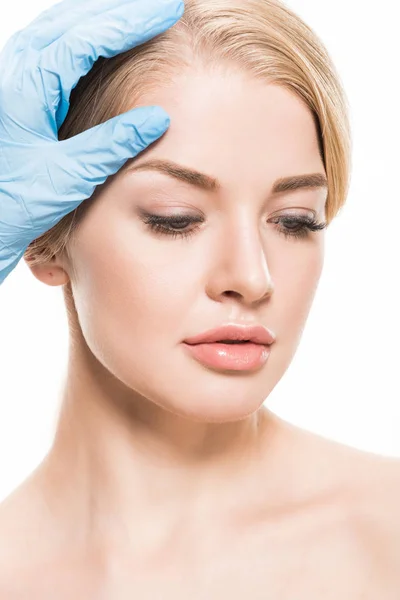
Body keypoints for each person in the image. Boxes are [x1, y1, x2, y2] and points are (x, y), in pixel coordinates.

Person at [0, 0, 399, 596]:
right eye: (175, 218)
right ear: (43, 236)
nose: (253, 277)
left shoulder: (383, 532)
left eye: (294, 221)